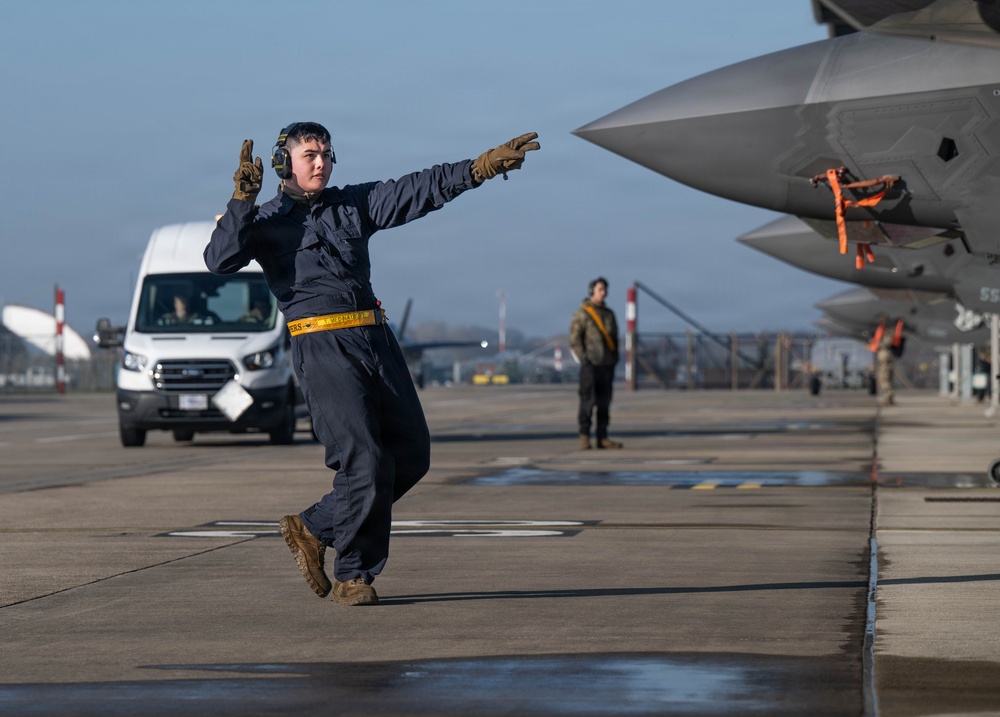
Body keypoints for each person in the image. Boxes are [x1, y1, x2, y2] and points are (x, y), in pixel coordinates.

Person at [204, 122, 539, 606]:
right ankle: (353, 575)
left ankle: (313, 526)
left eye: (326, 153)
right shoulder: (265, 221)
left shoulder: (352, 204)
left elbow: (416, 189)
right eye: (310, 155)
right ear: (284, 164)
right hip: (322, 347)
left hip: (376, 339)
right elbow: (220, 259)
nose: (321, 162)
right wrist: (240, 201)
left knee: (412, 452)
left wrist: (478, 168)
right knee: (365, 459)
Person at [569, 277, 622, 450]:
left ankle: (602, 437)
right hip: (590, 365)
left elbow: (614, 338)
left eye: (605, 289)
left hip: (606, 365)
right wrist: (584, 358)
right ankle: (584, 436)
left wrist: (614, 358)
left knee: (604, 403)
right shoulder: (583, 314)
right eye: (600, 289)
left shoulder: (609, 314)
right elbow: (574, 338)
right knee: (587, 402)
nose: (603, 292)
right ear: (592, 291)